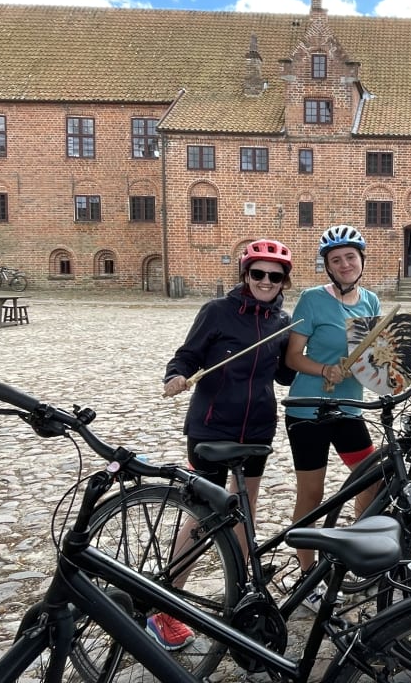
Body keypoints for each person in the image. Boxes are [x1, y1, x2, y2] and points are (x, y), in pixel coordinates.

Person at [157, 238, 295, 650]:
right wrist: (175, 375)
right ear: (245, 275)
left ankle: (242, 588)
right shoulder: (216, 312)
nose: (266, 281)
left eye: (275, 275)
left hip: (256, 429)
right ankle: (164, 604)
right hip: (212, 429)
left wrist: (317, 359)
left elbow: (284, 377)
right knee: (203, 515)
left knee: (245, 509)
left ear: (284, 280)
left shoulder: (281, 321)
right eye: (258, 273)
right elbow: (187, 355)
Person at [284, 225, 379, 611]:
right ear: (327, 265)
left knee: (369, 483)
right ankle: (306, 574)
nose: (344, 264)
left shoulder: (370, 301)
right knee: (312, 493)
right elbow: (292, 358)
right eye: (336, 260)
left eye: (350, 257)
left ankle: (356, 558)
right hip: (308, 408)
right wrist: (325, 370)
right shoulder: (311, 301)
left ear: (360, 261)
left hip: (348, 409)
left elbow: (371, 356)